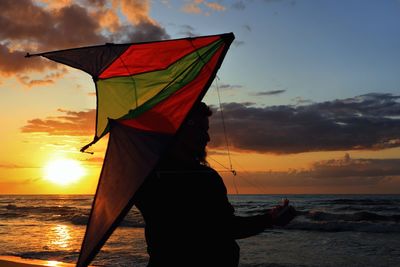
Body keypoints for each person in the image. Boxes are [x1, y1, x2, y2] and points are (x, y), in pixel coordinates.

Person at [135, 102, 296, 267]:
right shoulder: (198, 179)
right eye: (201, 130)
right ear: (181, 131)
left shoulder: (145, 178)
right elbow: (226, 228)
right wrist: (270, 219)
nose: (207, 138)